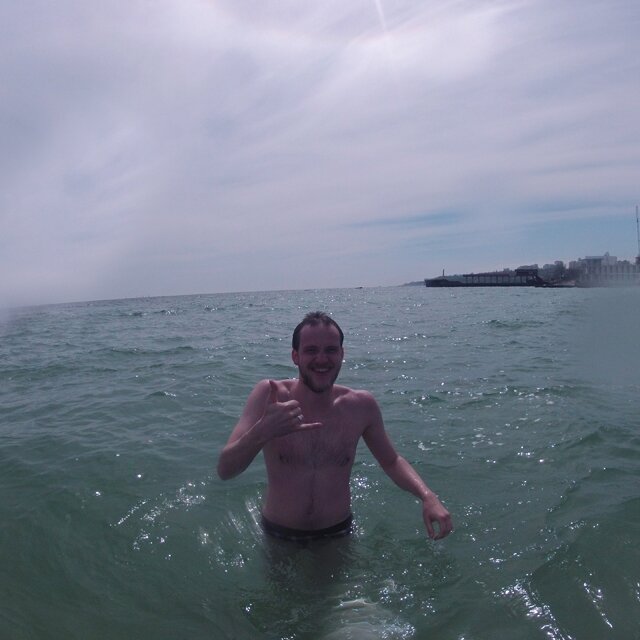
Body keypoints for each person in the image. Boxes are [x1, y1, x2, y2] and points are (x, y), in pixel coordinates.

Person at [217, 311, 452, 542]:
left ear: (342, 354)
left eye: (330, 350)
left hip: (337, 533)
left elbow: (391, 461)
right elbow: (225, 470)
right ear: (295, 356)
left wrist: (427, 496)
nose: (322, 359)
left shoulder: (361, 406)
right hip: (278, 534)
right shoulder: (270, 396)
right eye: (311, 350)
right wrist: (262, 432)